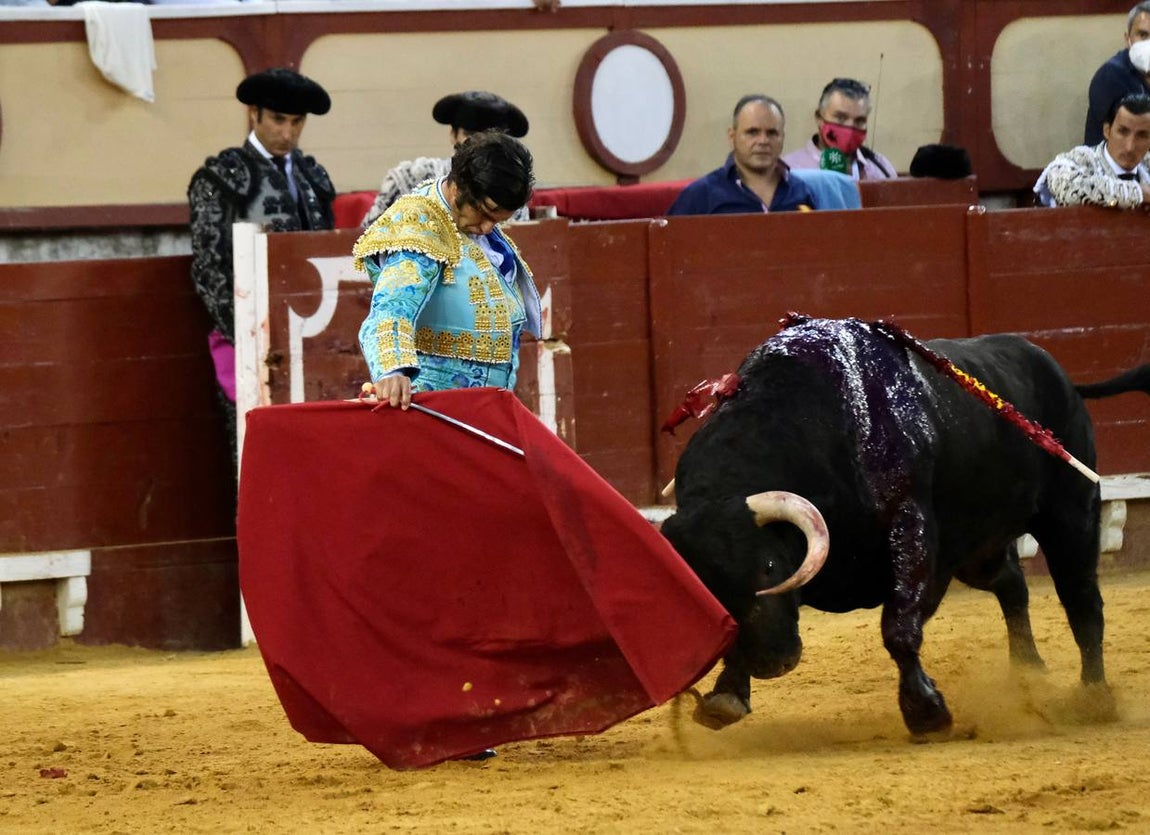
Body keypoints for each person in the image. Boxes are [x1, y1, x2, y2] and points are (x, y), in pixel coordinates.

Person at [187, 67, 336, 462]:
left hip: (311, 336)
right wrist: (247, 334)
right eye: (278, 119)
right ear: (254, 114)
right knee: (255, 447)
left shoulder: (314, 178)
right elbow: (209, 270)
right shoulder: (221, 178)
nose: (288, 133)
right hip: (250, 338)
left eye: (297, 122)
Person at [353, 130, 541, 411]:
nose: (489, 227)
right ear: (459, 187)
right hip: (432, 408)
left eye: (499, 219)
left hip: (486, 406)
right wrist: (391, 370)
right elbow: (391, 308)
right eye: (485, 212)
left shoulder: (475, 227)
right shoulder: (421, 224)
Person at [360, 90, 530, 226]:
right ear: (453, 134)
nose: (480, 145)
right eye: (471, 135)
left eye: (489, 139)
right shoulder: (407, 178)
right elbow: (366, 239)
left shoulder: (512, 188)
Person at [667, 94, 816, 215]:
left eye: (772, 133)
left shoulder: (801, 191)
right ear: (732, 137)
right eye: (752, 132)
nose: (763, 141)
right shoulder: (701, 195)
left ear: (782, 137)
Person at [1034, 92, 1150, 209]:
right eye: (1123, 132)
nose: (1129, 147)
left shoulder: (1147, 164)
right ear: (1107, 130)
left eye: (1142, 135)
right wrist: (1139, 194)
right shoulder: (1079, 160)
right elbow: (1066, 187)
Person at [782, 77, 896, 180]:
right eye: (840, 118)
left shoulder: (880, 167)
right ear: (819, 117)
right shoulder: (790, 169)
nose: (850, 127)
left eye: (859, 121)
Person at [1084, 3, 1150, 146]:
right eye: (1143, 35)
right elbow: (1125, 140)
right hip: (1117, 163)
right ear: (1128, 39)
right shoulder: (1111, 77)